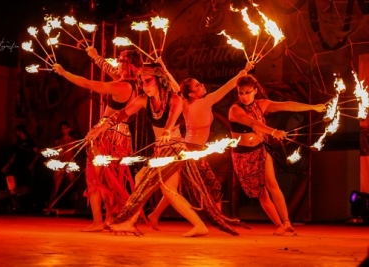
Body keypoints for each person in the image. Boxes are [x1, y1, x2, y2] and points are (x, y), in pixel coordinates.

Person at [86, 63, 241, 237]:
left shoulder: (174, 99)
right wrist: (98, 130)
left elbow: (174, 114)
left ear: (159, 81)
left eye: (148, 81)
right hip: (161, 150)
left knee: (144, 179)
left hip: (174, 149)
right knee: (169, 190)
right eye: (142, 82)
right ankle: (198, 225)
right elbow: (121, 115)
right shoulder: (143, 100)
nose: (145, 86)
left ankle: (129, 221)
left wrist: (167, 130)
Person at [147, 60, 255, 230]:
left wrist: (165, 68)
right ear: (191, 94)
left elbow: (176, 87)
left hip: (188, 148)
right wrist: (245, 71)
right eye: (197, 86)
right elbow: (227, 87)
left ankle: (154, 215)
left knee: (174, 188)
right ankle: (219, 221)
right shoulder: (205, 102)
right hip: (193, 151)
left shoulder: (183, 101)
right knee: (213, 186)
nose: (201, 86)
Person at [52, 49, 143, 231]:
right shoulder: (134, 85)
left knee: (95, 177)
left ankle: (97, 221)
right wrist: (94, 56)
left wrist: (63, 72)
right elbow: (109, 68)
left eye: (120, 61)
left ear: (126, 65)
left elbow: (87, 84)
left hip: (107, 134)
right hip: (123, 136)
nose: (116, 63)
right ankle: (110, 218)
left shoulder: (120, 86)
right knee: (112, 179)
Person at [228, 74, 326, 235]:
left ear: (255, 91)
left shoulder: (262, 105)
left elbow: (287, 105)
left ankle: (286, 223)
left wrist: (313, 107)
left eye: (247, 92)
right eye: (241, 93)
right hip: (243, 155)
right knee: (261, 193)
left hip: (261, 149)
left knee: (272, 184)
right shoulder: (235, 109)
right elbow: (252, 123)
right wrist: (273, 131)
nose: (244, 96)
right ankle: (279, 224)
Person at [1, 124, 40, 212]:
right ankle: (17, 207)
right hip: (16, 167)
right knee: (13, 187)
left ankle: (27, 206)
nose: (16, 133)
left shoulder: (30, 142)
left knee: (25, 187)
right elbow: (13, 157)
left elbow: (38, 153)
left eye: (16, 132)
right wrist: (6, 166)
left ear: (20, 132)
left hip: (26, 168)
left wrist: (32, 164)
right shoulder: (18, 144)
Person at [49, 121, 77, 208]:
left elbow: (80, 152)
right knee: (56, 184)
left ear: (68, 129)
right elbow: (54, 152)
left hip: (69, 164)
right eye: (61, 129)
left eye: (65, 128)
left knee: (72, 184)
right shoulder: (58, 141)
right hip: (60, 164)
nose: (63, 130)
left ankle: (75, 204)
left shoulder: (73, 141)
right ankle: (51, 205)